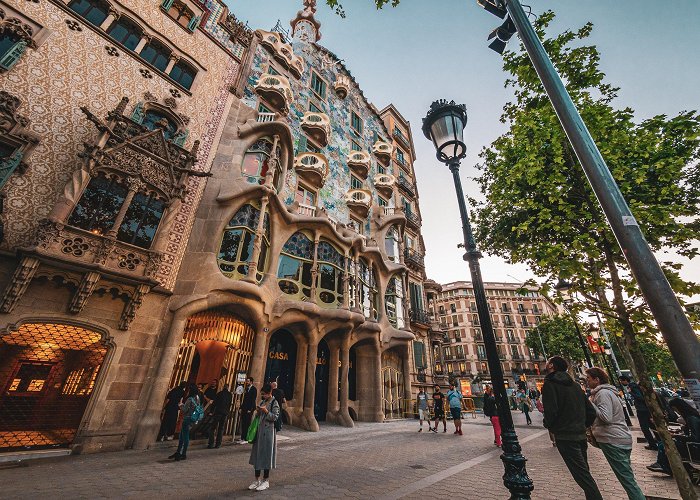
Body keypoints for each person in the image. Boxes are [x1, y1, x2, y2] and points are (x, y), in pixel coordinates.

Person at [542, 356, 603, 500]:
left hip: (565, 436)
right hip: (580, 435)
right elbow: (591, 411)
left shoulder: (550, 384)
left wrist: (550, 425)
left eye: (548, 362)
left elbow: (551, 411)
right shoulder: (575, 385)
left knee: (583, 477)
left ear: (551, 365)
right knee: (584, 472)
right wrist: (582, 425)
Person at [586, 367, 645, 500]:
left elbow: (606, 417)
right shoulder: (609, 393)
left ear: (597, 379)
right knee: (628, 478)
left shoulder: (602, 394)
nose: (587, 382)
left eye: (589, 378)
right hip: (620, 438)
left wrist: (590, 404)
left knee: (628, 482)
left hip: (612, 439)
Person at [647, 398, 700, 478]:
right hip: (693, 446)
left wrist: (676, 436)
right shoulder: (691, 417)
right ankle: (664, 465)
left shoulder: (692, 419)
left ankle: (663, 465)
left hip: (695, 448)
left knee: (665, 443)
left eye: (675, 409)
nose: (676, 412)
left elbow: (694, 438)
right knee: (665, 442)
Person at [248, 383, 280, 492]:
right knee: (257, 455)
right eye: (262, 394)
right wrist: (257, 412)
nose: (263, 396)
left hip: (268, 433)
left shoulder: (274, 403)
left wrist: (266, 411)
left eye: (265, 394)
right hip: (259, 432)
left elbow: (275, 417)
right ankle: (257, 480)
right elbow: (258, 416)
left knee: (266, 455)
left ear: (269, 393)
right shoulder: (262, 402)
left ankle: (266, 480)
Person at [619, 375, 657, 450]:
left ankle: (652, 444)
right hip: (645, 409)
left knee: (645, 428)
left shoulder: (632, 386)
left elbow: (640, 397)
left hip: (642, 410)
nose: (621, 382)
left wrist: (631, 393)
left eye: (621, 381)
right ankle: (658, 442)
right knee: (652, 426)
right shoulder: (634, 385)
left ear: (625, 380)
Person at [169, 383, 200, 461]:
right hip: (193, 419)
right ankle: (179, 452)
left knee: (184, 437)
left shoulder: (190, 399)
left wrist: (180, 405)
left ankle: (183, 453)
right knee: (182, 436)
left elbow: (185, 410)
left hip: (187, 419)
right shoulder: (197, 397)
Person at [207, 383, 233, 449]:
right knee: (221, 428)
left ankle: (211, 443)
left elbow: (214, 403)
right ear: (228, 388)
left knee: (213, 428)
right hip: (225, 413)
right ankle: (218, 444)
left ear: (223, 387)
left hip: (218, 412)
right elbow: (229, 404)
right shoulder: (230, 395)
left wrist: (211, 412)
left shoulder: (219, 393)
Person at [239, 377, 257, 444]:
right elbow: (244, 400)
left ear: (251, 382)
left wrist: (250, 409)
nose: (247, 382)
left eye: (248, 381)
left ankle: (246, 438)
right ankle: (242, 437)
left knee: (247, 423)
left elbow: (253, 400)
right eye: (247, 381)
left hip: (249, 409)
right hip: (245, 408)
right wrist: (241, 407)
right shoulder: (246, 389)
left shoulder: (254, 389)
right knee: (243, 423)